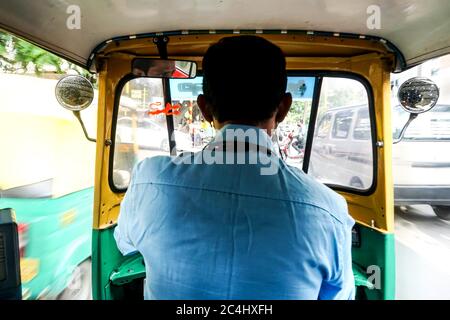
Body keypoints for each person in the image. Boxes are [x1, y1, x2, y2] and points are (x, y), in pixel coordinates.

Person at [114, 35, 355, 300]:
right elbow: (337, 294)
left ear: (204, 109)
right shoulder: (328, 209)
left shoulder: (150, 179)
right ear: (284, 108)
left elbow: (125, 244)